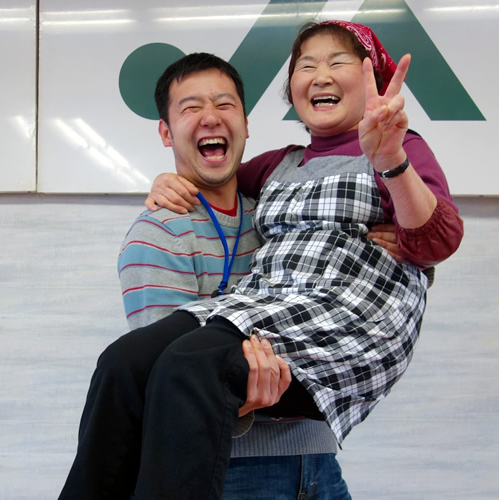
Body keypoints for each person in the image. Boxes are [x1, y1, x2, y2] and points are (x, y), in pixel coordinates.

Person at [63, 20, 464, 499]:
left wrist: (392, 162)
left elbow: (437, 240)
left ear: (371, 80)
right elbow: (217, 177)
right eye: (306, 66)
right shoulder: (281, 164)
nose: (320, 75)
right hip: (273, 308)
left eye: (337, 62)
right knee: (122, 363)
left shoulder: (402, 148)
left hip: (350, 314)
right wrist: (166, 181)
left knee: (188, 365)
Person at [60, 52, 355, 499]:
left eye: (225, 104)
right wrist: (244, 395)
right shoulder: (160, 232)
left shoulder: (284, 215)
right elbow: (166, 383)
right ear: (166, 131)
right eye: (191, 107)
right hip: (230, 472)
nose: (211, 117)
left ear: (247, 124)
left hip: (320, 462)